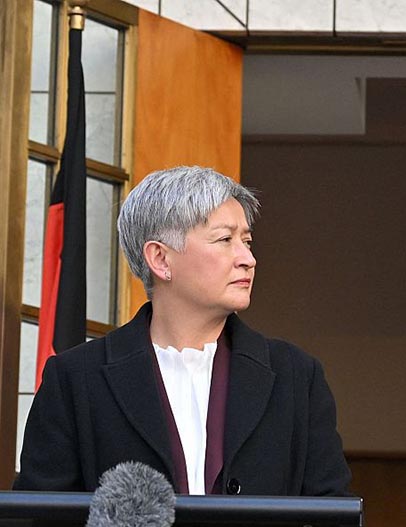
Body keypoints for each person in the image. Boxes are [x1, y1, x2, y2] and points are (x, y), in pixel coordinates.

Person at [14, 166, 351, 496]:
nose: (248, 257)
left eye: (247, 240)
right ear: (160, 259)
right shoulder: (76, 379)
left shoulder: (295, 376)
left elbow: (332, 520)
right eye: (224, 239)